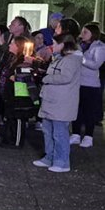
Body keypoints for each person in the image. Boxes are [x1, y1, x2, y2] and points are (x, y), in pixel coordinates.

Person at [34, 33, 82, 172]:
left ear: (63, 45)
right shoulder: (61, 58)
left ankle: (62, 161)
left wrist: (46, 78)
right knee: (48, 130)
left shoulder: (71, 60)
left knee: (59, 133)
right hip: (52, 100)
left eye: (55, 43)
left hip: (62, 102)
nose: (52, 46)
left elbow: (66, 77)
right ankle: (49, 157)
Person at [70, 24, 105, 148]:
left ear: (93, 34)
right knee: (76, 109)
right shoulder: (79, 45)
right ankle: (75, 134)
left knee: (89, 111)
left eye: (85, 32)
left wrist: (81, 58)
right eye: (82, 32)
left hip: (90, 84)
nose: (82, 34)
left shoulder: (100, 47)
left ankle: (88, 136)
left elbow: (96, 64)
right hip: (77, 82)